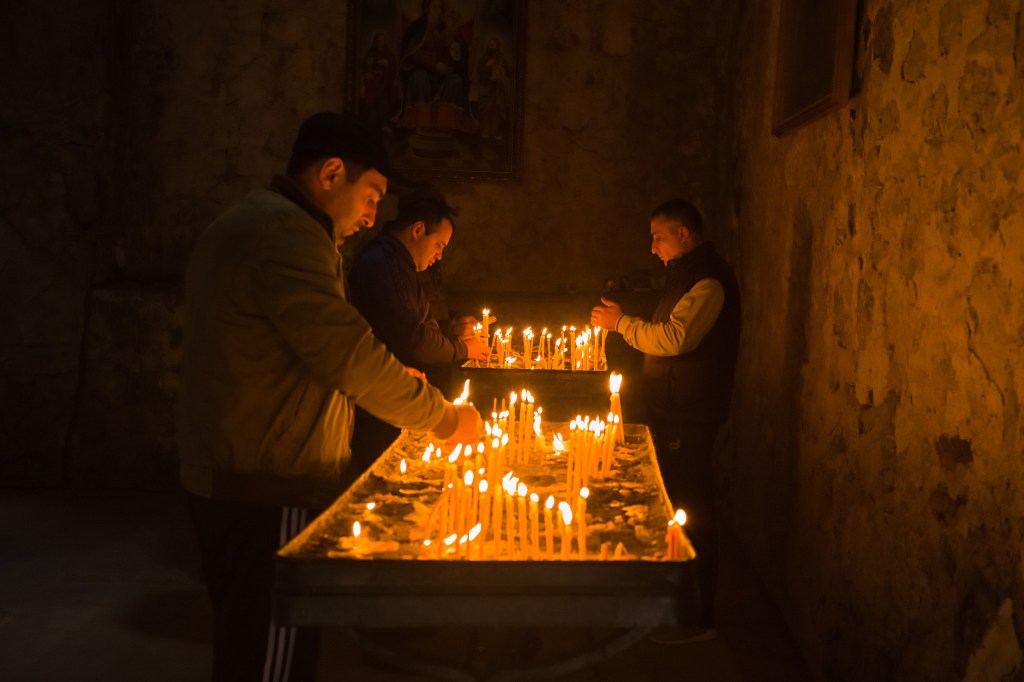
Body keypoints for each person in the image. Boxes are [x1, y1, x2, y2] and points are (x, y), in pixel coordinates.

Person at [177, 111, 481, 682]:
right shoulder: (287, 235)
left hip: (239, 468)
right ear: (332, 172)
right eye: (370, 196)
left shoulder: (261, 222)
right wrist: (443, 419)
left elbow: (302, 352)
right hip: (266, 481)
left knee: (251, 640)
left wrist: (398, 383)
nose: (371, 218)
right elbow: (345, 354)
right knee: (273, 653)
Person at [590, 198, 741, 643]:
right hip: (674, 410)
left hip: (688, 416)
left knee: (688, 508)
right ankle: (670, 605)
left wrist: (621, 324)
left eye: (658, 237)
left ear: (683, 234)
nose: (652, 248)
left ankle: (695, 614)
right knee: (674, 504)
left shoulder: (709, 282)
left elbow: (674, 338)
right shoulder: (685, 276)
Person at [347, 185, 488, 471]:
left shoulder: (398, 263)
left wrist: (451, 333)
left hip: (394, 397)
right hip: (382, 405)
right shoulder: (385, 263)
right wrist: (461, 348)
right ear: (418, 229)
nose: (439, 256)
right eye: (439, 245)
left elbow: (412, 323)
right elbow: (413, 339)